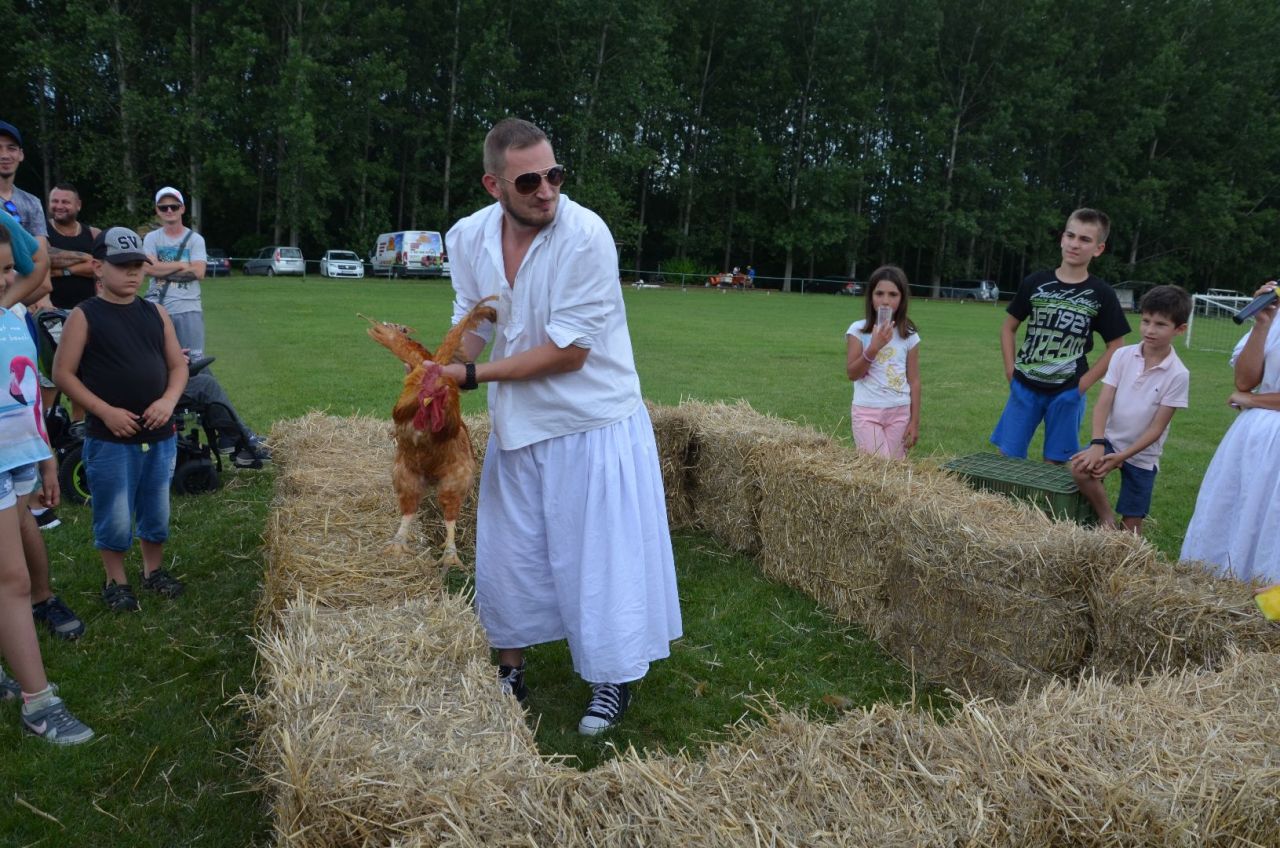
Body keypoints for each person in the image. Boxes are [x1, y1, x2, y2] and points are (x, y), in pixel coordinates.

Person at [440, 117, 681, 736]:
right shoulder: (467, 237)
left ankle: (612, 677)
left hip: (591, 423)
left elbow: (570, 353)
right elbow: (475, 319)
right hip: (519, 425)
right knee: (511, 552)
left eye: (554, 175)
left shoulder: (586, 235)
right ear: (493, 184)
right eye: (529, 181)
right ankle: (510, 669)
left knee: (598, 559)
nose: (546, 190)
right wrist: (436, 368)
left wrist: (472, 376)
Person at [52, 226, 188, 611]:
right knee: (113, 513)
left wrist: (168, 400)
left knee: (156, 508)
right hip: (110, 438)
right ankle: (116, 579)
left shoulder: (156, 313)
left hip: (159, 434)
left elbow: (177, 366)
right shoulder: (85, 316)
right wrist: (105, 412)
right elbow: (63, 373)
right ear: (98, 267)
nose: (132, 273)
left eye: (138, 265)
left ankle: (152, 570)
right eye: (121, 265)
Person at [0, 226, 94, 743]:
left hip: (18, 459)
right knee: (11, 580)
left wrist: (45, 457)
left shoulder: (9, 311)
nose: (6, 280)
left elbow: (36, 260)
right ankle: (39, 705)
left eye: (5, 270)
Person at [991, 208, 1129, 463]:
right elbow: (1008, 328)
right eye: (1070, 235)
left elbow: (1116, 346)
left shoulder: (1101, 293)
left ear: (1098, 249)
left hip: (1068, 389)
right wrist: (1011, 371)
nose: (1075, 244)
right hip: (1025, 383)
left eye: (1085, 239)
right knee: (1007, 457)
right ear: (1062, 238)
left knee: (1055, 462)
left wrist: (1083, 384)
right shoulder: (1035, 282)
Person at [1181, 280, 1280, 585]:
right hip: (1254, 439)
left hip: (1265, 427)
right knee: (1239, 515)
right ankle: (1227, 589)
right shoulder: (1275, 315)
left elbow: (1247, 394)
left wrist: (1254, 400)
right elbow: (1244, 381)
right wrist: (1262, 323)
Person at [1069, 285, 1190, 534]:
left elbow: (1157, 428)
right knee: (1079, 469)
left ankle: (1123, 539)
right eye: (1146, 321)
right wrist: (1097, 443)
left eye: (1160, 324)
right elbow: (1103, 403)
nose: (1150, 330)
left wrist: (1123, 457)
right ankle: (1106, 519)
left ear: (1180, 329)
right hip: (1110, 441)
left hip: (1143, 455)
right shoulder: (1122, 355)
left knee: (1132, 526)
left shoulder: (1178, 374)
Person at [845, 265, 920, 459]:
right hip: (867, 411)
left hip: (899, 411)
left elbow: (914, 381)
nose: (885, 301)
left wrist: (914, 422)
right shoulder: (858, 331)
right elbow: (852, 373)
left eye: (893, 294)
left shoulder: (909, 335)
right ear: (870, 297)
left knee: (896, 468)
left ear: (902, 299)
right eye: (879, 293)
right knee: (877, 467)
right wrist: (874, 347)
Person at [142, 187, 208, 359]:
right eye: (163, 207)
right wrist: (181, 265)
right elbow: (147, 268)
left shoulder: (195, 240)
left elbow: (199, 272)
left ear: (182, 209)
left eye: (174, 206)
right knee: (157, 360)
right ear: (157, 210)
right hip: (157, 308)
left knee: (194, 361)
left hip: (188, 308)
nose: (169, 210)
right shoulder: (151, 238)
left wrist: (160, 268)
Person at [45, 183, 100, 310]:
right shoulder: (41, 232)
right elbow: (46, 257)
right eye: (55, 201)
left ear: (78, 205)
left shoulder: (94, 234)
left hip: (89, 310)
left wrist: (63, 271)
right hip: (52, 310)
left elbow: (103, 269)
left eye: (65, 202)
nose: (59, 206)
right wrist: (87, 258)